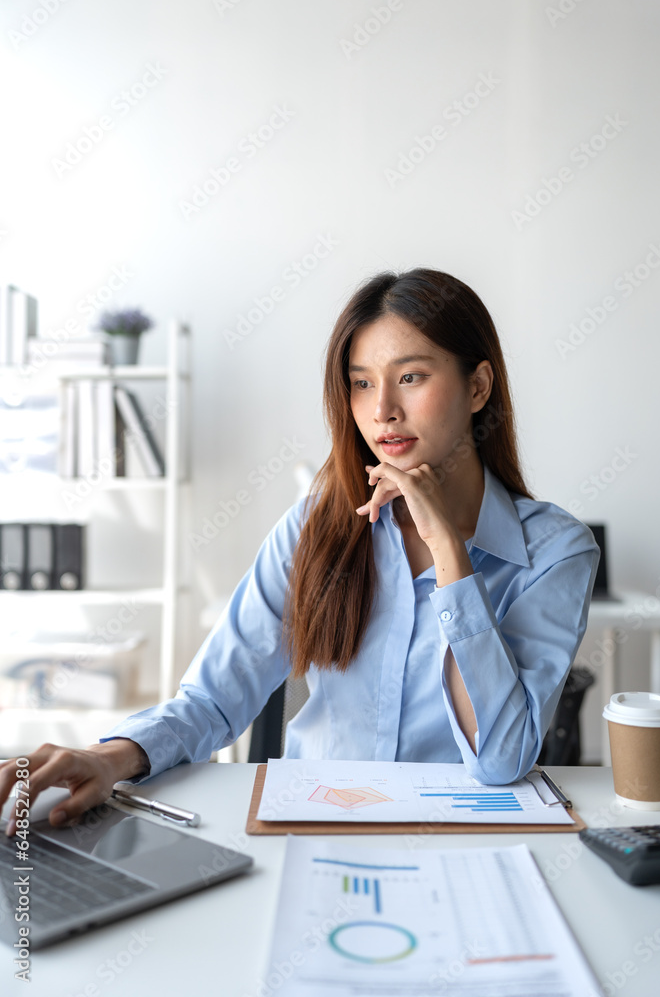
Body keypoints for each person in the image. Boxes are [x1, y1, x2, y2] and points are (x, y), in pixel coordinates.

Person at [1, 268, 599, 836]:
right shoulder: (318, 525)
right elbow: (213, 698)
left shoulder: (555, 551)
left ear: (477, 386)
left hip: (463, 843)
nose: (382, 409)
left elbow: (500, 759)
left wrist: (448, 549)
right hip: (313, 828)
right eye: (362, 382)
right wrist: (110, 757)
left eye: (411, 377)